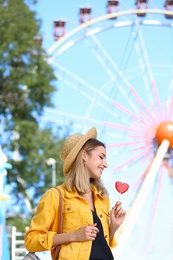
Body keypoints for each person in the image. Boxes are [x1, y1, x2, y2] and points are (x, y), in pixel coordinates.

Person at [24, 127, 126, 260]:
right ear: (84, 155)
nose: (105, 164)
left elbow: (100, 246)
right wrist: (73, 236)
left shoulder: (102, 198)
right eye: (101, 157)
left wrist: (113, 226)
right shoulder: (56, 196)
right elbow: (31, 241)